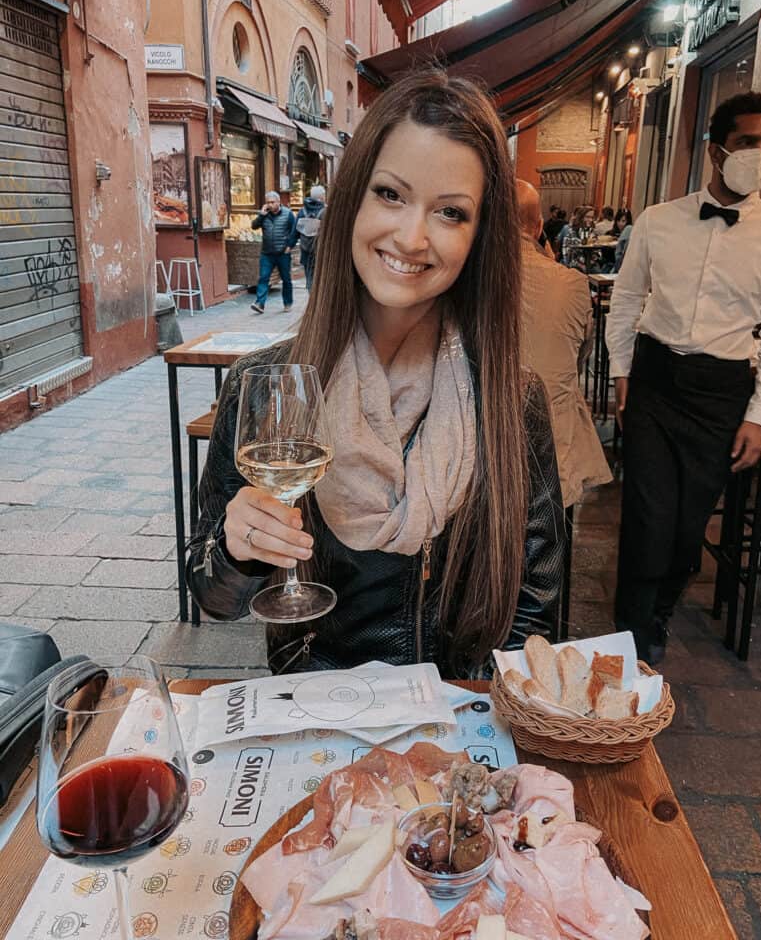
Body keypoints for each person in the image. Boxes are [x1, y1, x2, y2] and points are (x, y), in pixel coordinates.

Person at [188, 70, 565, 677]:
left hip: (455, 717)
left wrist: (472, 715)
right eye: (390, 194)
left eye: (450, 212)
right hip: (314, 709)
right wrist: (239, 550)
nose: (411, 237)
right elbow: (213, 597)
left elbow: (535, 610)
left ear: (479, 237)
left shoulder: (511, 399)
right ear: (353, 201)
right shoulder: (267, 383)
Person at [606, 91, 761, 664]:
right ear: (716, 150)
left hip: (722, 391)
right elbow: (626, 300)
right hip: (655, 379)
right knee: (647, 514)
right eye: (747, 142)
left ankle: (661, 607)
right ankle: (631, 630)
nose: (759, 155)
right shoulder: (658, 221)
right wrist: (621, 370)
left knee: (688, 524)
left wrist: (760, 416)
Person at [517, 179, 612, 509]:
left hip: (478, 454)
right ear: (539, 227)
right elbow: (580, 356)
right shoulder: (572, 283)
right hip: (554, 454)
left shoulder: (467, 279)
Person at [250, 191, 298, 314]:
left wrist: (290, 246)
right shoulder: (264, 214)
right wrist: (261, 215)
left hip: (283, 253)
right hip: (267, 253)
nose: (270, 205)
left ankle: (287, 303)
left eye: (272, 202)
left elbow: (294, 232)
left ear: (278, 202)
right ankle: (260, 303)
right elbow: (254, 226)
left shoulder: (288, 214)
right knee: (263, 278)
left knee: (286, 279)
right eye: (268, 202)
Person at [296, 184, 326, 292]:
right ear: (321, 196)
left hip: (306, 250)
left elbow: (296, 230)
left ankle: (311, 297)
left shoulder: (302, 211)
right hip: (321, 251)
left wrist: (290, 244)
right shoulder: (325, 212)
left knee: (309, 277)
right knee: (322, 277)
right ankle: (319, 298)